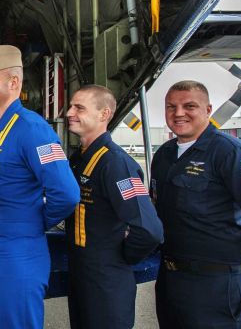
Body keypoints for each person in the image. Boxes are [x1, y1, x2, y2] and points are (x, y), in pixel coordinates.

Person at [153, 80, 241, 328]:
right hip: (172, 282)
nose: (179, 113)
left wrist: (229, 247)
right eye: (171, 107)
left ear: (208, 110)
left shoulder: (231, 152)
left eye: (189, 106)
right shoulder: (164, 155)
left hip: (217, 285)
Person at [0, 45, 80, 329]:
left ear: (14, 82)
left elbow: (67, 193)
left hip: (19, 253)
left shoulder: (33, 129)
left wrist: (34, 221)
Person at [65, 85, 163, 329]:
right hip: (81, 274)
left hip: (107, 279)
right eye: (70, 106)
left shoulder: (116, 164)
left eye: (79, 108)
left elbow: (149, 229)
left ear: (104, 114)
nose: (69, 113)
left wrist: (118, 259)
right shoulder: (78, 159)